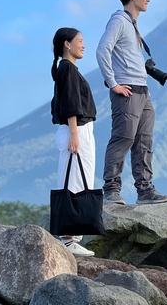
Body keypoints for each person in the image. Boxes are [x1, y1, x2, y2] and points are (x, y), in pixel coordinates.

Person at [96, 0, 167, 205]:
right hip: (126, 90)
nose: (149, 0)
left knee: (144, 142)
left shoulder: (132, 23)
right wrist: (113, 84)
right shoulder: (119, 20)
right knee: (124, 138)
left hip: (143, 90)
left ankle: (145, 191)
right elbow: (102, 50)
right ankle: (111, 189)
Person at [51, 27, 97, 256]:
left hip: (78, 130)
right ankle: (68, 239)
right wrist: (74, 133)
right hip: (75, 130)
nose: (83, 45)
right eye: (80, 40)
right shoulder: (67, 69)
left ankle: (72, 236)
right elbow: (70, 103)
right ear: (67, 44)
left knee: (80, 178)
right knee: (74, 180)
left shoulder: (67, 69)